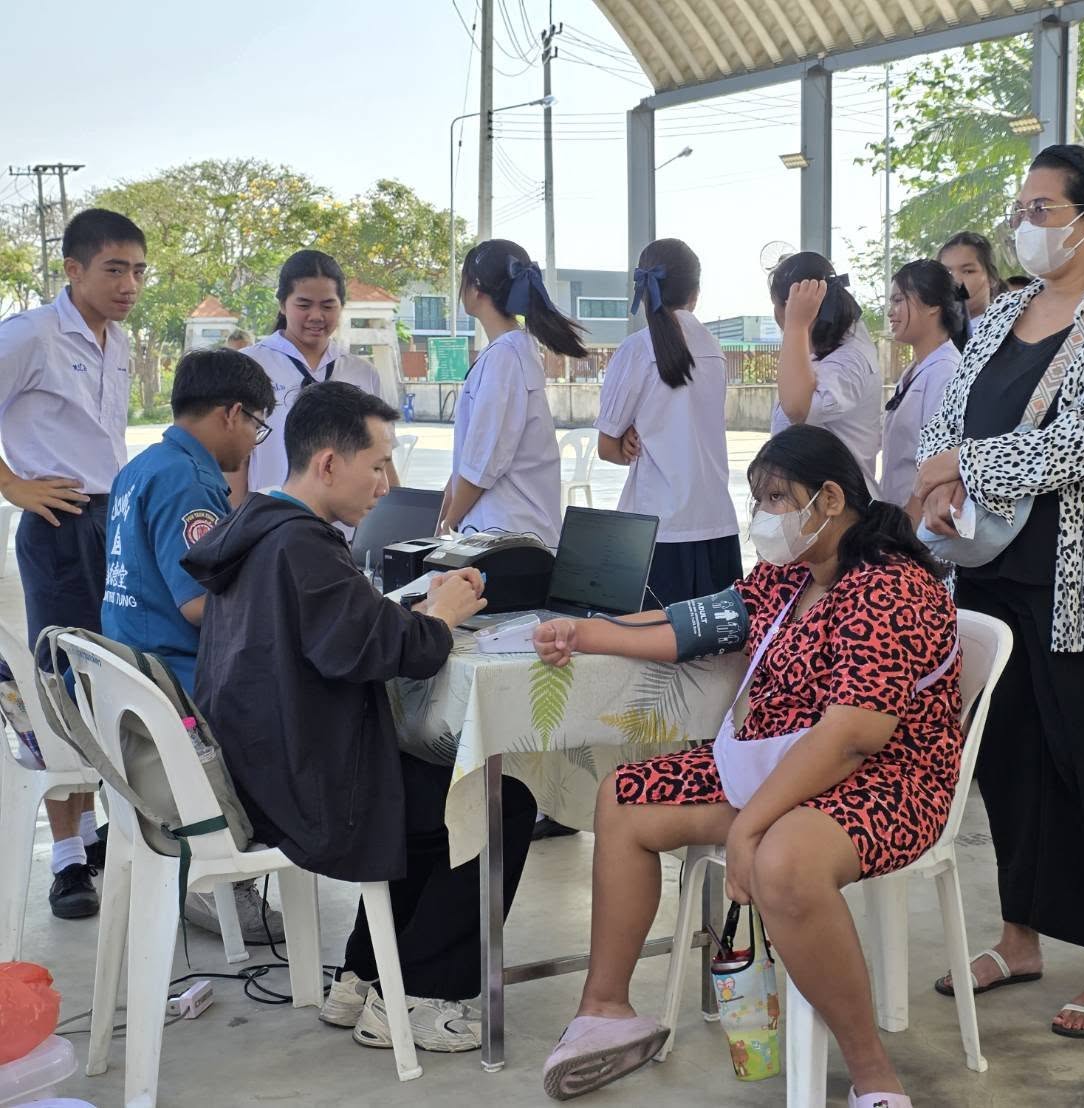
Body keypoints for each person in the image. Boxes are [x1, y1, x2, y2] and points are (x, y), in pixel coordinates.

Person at [537, 425, 961, 1107]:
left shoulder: (888, 588)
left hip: (885, 781)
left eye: (776, 498)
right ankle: (606, 1010)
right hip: (777, 766)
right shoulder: (790, 573)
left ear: (829, 499)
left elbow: (853, 735)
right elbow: (697, 625)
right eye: (758, 499)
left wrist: (749, 826)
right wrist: (583, 633)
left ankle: (872, 1074)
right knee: (626, 796)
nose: (764, 515)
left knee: (782, 859)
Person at [183, 382, 536, 1051]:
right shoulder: (303, 546)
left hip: (264, 767)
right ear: (328, 464)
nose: (385, 484)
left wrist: (415, 614)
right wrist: (441, 616)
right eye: (376, 465)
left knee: (430, 792)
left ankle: (363, 976)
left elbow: (344, 630)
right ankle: (422, 995)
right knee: (496, 804)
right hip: (305, 789)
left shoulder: (259, 525)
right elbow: (393, 653)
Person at [916, 144, 1084, 1037]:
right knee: (1007, 763)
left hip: (1080, 583)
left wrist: (966, 463)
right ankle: (1018, 937)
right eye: (1020, 209)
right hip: (989, 571)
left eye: (1043, 209)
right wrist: (941, 479)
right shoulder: (1004, 312)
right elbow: (948, 420)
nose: (1025, 225)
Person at [101, 347, 284, 941]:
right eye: (257, 425)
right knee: (307, 706)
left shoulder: (141, 467)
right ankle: (225, 871)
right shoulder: (189, 481)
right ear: (232, 413)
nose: (254, 441)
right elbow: (201, 605)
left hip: (130, 670)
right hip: (179, 682)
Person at [0, 208, 146, 920]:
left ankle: (92, 837)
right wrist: (12, 484)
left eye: (138, 271)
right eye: (114, 269)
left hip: (110, 520)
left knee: (109, 677)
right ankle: (66, 861)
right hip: (56, 522)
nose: (129, 285)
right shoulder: (30, 335)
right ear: (73, 269)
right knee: (61, 682)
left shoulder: (117, 341)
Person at [596, 238, 740, 604]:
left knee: (649, 640)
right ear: (696, 292)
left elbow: (607, 448)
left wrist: (628, 436)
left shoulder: (637, 349)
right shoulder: (714, 350)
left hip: (656, 533)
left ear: (643, 290)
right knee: (717, 640)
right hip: (715, 523)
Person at [439, 240, 584, 547]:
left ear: (476, 288)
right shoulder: (510, 350)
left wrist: (446, 527)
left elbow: (481, 466)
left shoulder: (505, 356)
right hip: (508, 534)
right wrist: (442, 518)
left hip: (506, 536)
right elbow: (469, 461)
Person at [232, 249, 397, 501]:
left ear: (342, 305)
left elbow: (382, 458)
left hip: (347, 523)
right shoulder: (248, 366)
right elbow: (235, 462)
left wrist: (396, 515)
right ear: (282, 304)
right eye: (304, 305)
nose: (317, 316)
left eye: (328, 305)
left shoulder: (362, 373)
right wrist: (240, 521)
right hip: (271, 519)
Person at [768, 252, 882, 491]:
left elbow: (797, 409)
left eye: (776, 305)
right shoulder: (817, 349)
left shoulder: (850, 356)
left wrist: (795, 325)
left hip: (838, 503)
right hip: (809, 498)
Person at [880, 260, 967, 511]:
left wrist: (908, 524)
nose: (890, 313)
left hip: (917, 522)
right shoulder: (915, 369)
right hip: (897, 515)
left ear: (932, 305)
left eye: (898, 300)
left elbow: (935, 464)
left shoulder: (945, 372)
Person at [936, 231, 1004, 334]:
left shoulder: (1010, 329)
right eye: (947, 272)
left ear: (991, 278)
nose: (955, 280)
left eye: (968, 271)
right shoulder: (935, 336)